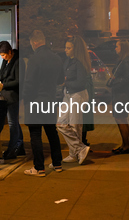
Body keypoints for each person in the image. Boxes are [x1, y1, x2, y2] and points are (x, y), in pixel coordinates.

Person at [23, 30, 65, 176]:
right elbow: (60, 80)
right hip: (50, 101)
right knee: (52, 133)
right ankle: (57, 163)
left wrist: (25, 98)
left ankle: (39, 167)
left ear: (35, 42)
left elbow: (29, 83)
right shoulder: (57, 58)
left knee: (35, 134)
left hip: (35, 101)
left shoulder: (34, 59)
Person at [57, 36, 91, 165]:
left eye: (68, 48)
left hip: (78, 95)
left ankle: (74, 153)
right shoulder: (68, 61)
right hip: (68, 95)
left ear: (75, 49)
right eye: (65, 47)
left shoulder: (79, 63)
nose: (65, 50)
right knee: (61, 123)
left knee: (75, 126)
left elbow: (81, 83)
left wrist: (65, 83)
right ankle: (79, 149)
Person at [0, 41, 26, 160]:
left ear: (10, 52)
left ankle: (12, 149)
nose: (2, 57)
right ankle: (19, 145)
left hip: (13, 95)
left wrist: (2, 84)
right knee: (14, 122)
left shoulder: (18, 62)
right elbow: (2, 73)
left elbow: (18, 81)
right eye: (1, 55)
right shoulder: (6, 61)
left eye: (4, 55)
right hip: (6, 94)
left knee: (12, 123)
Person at [109, 40, 129, 154]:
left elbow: (128, 79)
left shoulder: (127, 62)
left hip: (123, 94)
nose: (115, 48)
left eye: (117, 46)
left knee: (121, 118)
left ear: (123, 48)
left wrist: (114, 81)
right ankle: (124, 145)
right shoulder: (122, 60)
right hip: (119, 93)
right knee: (119, 118)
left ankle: (126, 146)